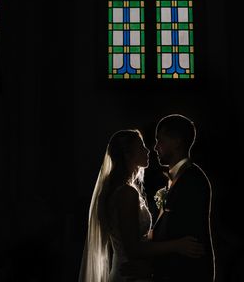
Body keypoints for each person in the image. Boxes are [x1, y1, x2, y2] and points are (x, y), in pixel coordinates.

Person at [78, 129, 204, 282]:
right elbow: (133, 249)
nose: (148, 150)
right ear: (128, 155)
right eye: (141, 146)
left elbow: (137, 236)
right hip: (130, 275)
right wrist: (177, 245)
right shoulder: (126, 193)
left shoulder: (122, 189)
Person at [150, 114, 215, 282]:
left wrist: (152, 270)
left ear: (177, 141)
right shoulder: (178, 178)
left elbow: (189, 241)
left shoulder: (192, 180)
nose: (156, 147)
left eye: (160, 140)